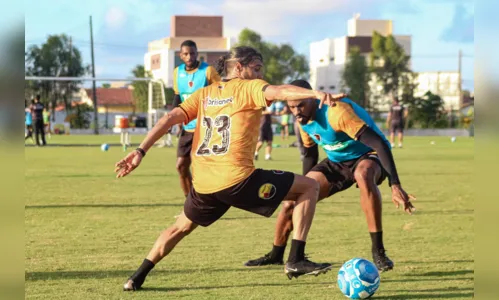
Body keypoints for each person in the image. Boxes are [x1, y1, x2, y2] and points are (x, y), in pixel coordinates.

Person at [116, 47, 346, 291]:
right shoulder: (249, 88)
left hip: (204, 184)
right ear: (239, 68)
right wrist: (315, 93)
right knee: (309, 186)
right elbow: (279, 91)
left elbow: (169, 118)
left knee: (179, 228)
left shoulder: (203, 94)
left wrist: (140, 151)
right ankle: (296, 259)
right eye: (256, 69)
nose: (260, 75)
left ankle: (136, 277)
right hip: (238, 180)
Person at [244, 80, 416, 272]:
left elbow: (379, 144)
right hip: (337, 162)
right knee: (291, 202)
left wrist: (395, 185)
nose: (296, 111)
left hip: (369, 154)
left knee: (363, 174)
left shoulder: (336, 112)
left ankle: (379, 252)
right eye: (292, 107)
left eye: (301, 105)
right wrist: (302, 190)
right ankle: (276, 254)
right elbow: (310, 154)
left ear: (312, 99)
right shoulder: (301, 120)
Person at [171, 40, 221, 197]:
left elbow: (221, 94)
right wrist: (172, 119)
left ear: (197, 53)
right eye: (185, 53)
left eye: (192, 53)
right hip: (187, 127)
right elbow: (177, 97)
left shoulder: (208, 71)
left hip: (205, 126)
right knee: (181, 166)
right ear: (181, 55)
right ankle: (190, 203)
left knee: (202, 169)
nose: (189, 56)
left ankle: (205, 203)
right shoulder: (177, 72)